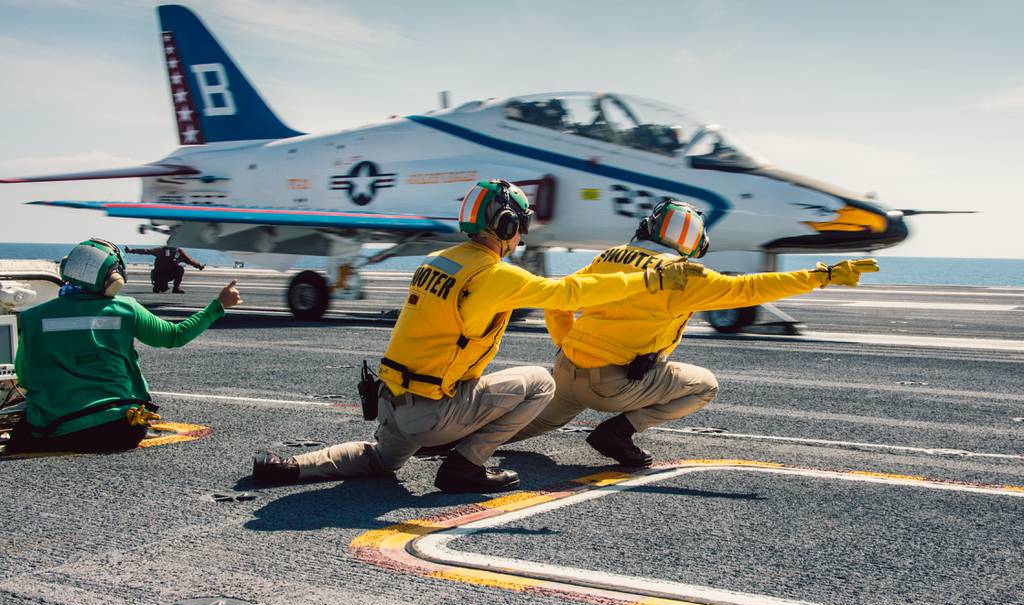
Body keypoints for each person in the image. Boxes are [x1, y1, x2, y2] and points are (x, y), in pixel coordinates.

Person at [251, 179, 705, 493]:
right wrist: (648, 281)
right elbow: (568, 292)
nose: (521, 236)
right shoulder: (493, 274)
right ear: (507, 226)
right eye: (519, 227)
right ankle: (464, 466)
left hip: (394, 405)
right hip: (433, 412)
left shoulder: (437, 260)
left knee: (378, 459)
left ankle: (290, 468)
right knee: (539, 382)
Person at [509, 199, 880, 467]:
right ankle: (617, 433)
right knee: (704, 385)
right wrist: (823, 276)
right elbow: (752, 288)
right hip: (614, 386)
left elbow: (558, 302)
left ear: (648, 226)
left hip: (565, 372)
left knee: (516, 431)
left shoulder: (609, 256)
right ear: (694, 244)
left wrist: (566, 344)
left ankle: (458, 442)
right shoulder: (684, 277)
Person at [9, 238, 242, 453]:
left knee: (20, 438)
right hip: (122, 430)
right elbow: (175, 335)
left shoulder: (33, 318)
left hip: (58, 429)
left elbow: (26, 377)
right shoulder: (126, 309)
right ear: (113, 278)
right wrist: (218, 306)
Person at [125, 245, 205, 294]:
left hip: (170, 274)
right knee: (161, 289)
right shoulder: (161, 250)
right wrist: (131, 251)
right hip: (159, 274)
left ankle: (176, 288)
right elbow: (146, 251)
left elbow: (190, 261)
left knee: (180, 269)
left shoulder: (179, 253)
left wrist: (199, 266)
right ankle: (157, 285)